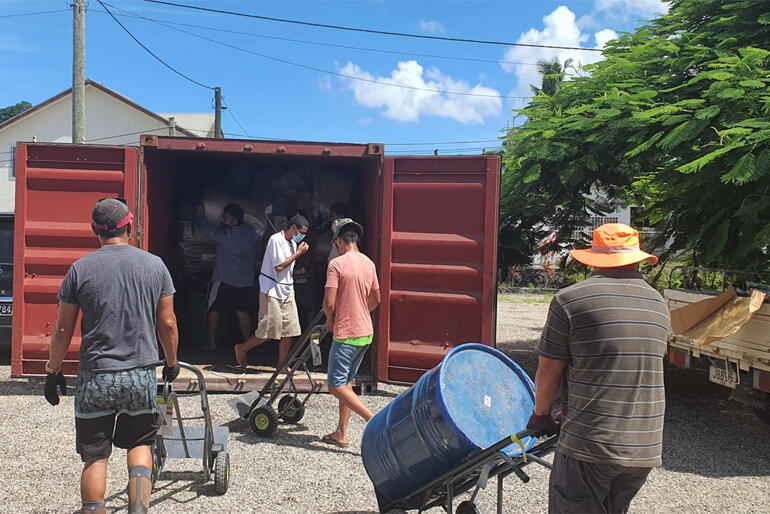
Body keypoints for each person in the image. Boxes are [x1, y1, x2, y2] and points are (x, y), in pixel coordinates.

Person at [43, 198, 179, 514]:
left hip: (95, 377)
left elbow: (62, 330)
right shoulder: (155, 265)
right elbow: (168, 324)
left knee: (96, 456)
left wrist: (53, 370)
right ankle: (138, 508)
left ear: (95, 231)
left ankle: (93, 510)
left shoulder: (80, 269)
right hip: (140, 375)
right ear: (129, 226)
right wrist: (171, 364)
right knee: (141, 444)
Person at [527, 223, 670, 514]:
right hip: (644, 448)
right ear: (636, 260)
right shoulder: (658, 303)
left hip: (591, 445)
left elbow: (549, 371)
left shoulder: (571, 300)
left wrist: (540, 415)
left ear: (594, 259)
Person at [321, 218, 380, 447]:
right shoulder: (369, 263)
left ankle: (372, 419)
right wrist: (360, 310)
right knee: (346, 383)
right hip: (365, 333)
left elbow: (329, 302)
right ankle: (341, 433)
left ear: (338, 241)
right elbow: (376, 299)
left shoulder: (336, 264)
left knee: (335, 386)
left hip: (346, 333)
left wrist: (330, 320)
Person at [234, 214, 309, 369]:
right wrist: (299, 254)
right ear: (293, 228)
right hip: (272, 289)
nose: (302, 236)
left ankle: (282, 364)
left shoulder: (293, 245)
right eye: (301, 232)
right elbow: (279, 267)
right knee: (269, 330)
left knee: (290, 330)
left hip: (288, 289)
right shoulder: (276, 240)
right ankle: (242, 348)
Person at [195, 202, 258, 350]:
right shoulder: (250, 232)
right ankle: (248, 343)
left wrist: (199, 213)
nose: (222, 219)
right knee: (242, 312)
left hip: (224, 280)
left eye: (226, 217)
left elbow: (205, 229)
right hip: (244, 281)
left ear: (235, 219)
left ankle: (211, 344)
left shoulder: (225, 235)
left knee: (213, 309)